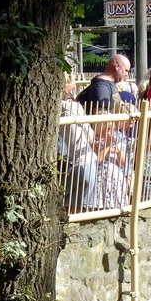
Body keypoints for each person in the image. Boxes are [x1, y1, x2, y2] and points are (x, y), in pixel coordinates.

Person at [58, 82, 98, 211]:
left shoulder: (52, 110)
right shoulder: (75, 107)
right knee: (83, 207)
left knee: (67, 205)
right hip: (86, 159)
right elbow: (90, 136)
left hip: (66, 165)